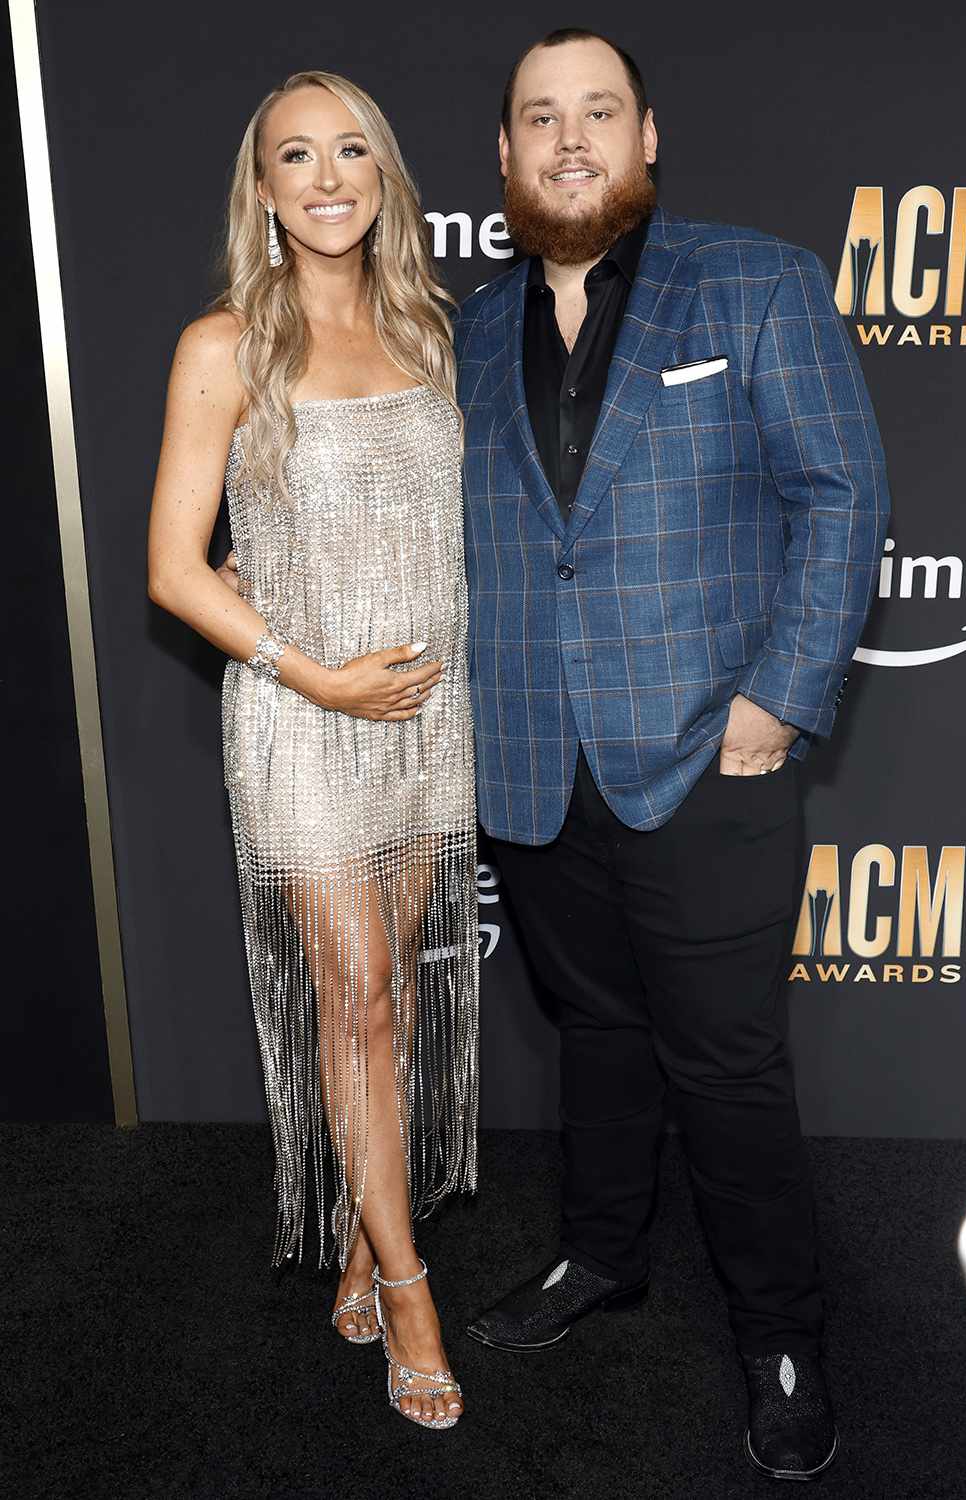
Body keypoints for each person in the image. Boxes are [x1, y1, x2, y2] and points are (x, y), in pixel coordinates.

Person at [454, 29, 889, 1480]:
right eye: (538, 119)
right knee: (598, 1038)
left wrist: (783, 694)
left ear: (649, 136)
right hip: (528, 759)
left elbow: (840, 494)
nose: (568, 140)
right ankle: (601, 1258)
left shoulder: (752, 281)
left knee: (727, 1062)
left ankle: (781, 1334)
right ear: (505, 159)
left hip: (714, 754)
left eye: (597, 113)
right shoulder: (462, 329)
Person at [148, 70, 476, 1430]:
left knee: (389, 988)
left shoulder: (427, 329)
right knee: (353, 995)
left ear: (383, 177)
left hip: (421, 724)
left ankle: (362, 1227)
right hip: (301, 720)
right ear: (265, 190)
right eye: (299, 155)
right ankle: (406, 1288)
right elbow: (176, 570)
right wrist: (316, 676)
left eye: (354, 150)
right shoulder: (223, 345)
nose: (330, 175)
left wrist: (388, 686)